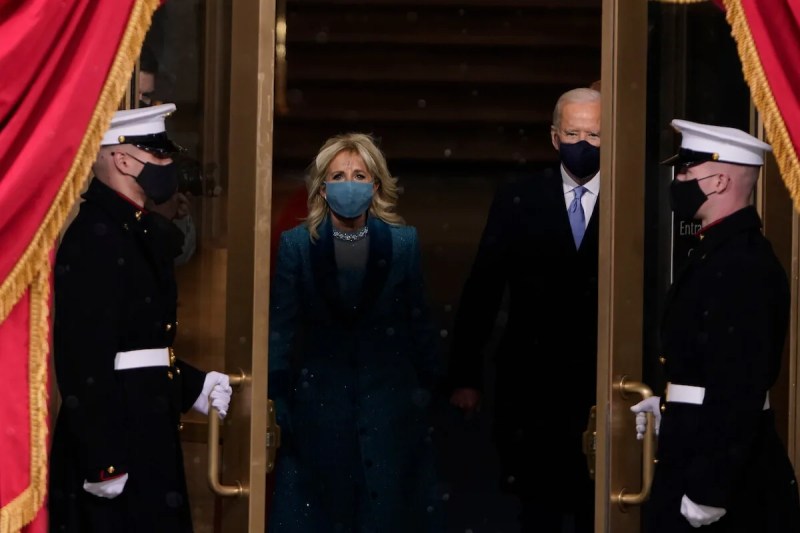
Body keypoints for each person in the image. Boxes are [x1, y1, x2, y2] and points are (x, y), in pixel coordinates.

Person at [48, 103, 233, 533]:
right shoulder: (95, 236)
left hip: (146, 426)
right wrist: (103, 460)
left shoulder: (133, 228)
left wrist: (192, 385)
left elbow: (142, 343)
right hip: (117, 437)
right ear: (123, 159)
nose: (167, 166)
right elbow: (84, 356)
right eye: (158, 156)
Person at [267, 132, 444, 532]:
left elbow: (418, 324)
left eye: (360, 174)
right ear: (323, 188)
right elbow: (281, 329)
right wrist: (278, 401)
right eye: (339, 175)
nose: (350, 183)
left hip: (389, 411)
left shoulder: (403, 243)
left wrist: (433, 390)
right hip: (318, 412)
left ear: (376, 185)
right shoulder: (297, 245)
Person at [630, 119, 800, 532]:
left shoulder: (742, 263)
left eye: (687, 170)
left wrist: (710, 489)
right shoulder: (716, 251)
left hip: (724, 476)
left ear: (720, 180)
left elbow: (740, 386)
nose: (679, 179)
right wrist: (674, 405)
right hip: (696, 446)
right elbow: (708, 362)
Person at [447, 86, 601, 532]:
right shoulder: (519, 196)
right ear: (554, 138)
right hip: (533, 383)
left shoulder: (634, 199)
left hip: (601, 378)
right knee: (538, 508)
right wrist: (465, 375)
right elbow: (484, 286)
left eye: (595, 135)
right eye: (573, 133)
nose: (583, 144)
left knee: (601, 504)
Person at [137, 43, 197, 266]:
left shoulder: (158, 143)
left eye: (147, 98)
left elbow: (181, 255)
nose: (142, 108)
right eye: (135, 97)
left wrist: (175, 216)